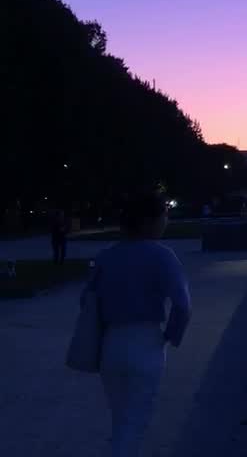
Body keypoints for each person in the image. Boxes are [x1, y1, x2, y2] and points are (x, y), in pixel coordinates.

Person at [82, 193, 191, 457]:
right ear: (149, 221)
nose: (166, 220)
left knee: (121, 419)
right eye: (163, 215)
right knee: (135, 422)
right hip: (145, 341)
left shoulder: (107, 256)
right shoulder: (162, 255)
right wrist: (169, 336)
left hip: (111, 344)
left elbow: (86, 299)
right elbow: (182, 305)